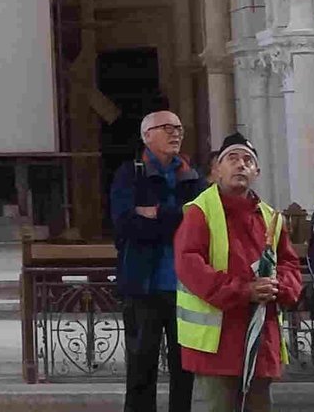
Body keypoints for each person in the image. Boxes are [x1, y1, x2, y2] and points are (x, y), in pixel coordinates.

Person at [173, 133, 303, 412]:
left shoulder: (271, 216)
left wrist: (278, 286)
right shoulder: (200, 211)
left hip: (260, 336)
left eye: (248, 160)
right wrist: (244, 290)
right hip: (217, 342)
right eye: (232, 158)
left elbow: (289, 265)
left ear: (256, 172)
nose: (241, 165)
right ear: (216, 169)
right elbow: (189, 264)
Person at [112, 110, 207, 412]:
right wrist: (177, 219)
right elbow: (127, 225)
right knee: (141, 369)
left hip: (186, 287)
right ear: (146, 135)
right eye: (166, 128)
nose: (176, 133)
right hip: (144, 284)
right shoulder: (130, 173)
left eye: (179, 127)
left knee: (186, 369)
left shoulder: (192, 175)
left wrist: (157, 215)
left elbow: (200, 224)